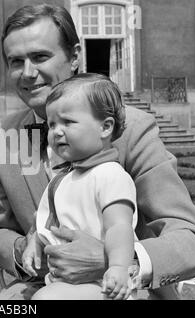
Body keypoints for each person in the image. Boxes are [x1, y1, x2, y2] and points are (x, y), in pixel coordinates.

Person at [0, 4, 195, 300]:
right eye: (16, 61)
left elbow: (188, 236)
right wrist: (26, 253)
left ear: (74, 57)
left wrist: (116, 261)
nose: (28, 73)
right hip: (38, 286)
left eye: (40, 56)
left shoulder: (132, 128)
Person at [23, 73, 138, 300]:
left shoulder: (110, 175)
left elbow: (119, 226)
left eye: (68, 122)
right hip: (67, 282)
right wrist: (34, 243)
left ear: (105, 127)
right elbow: (50, 221)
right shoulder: (63, 178)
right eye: (52, 123)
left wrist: (117, 267)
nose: (56, 131)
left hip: (104, 283)